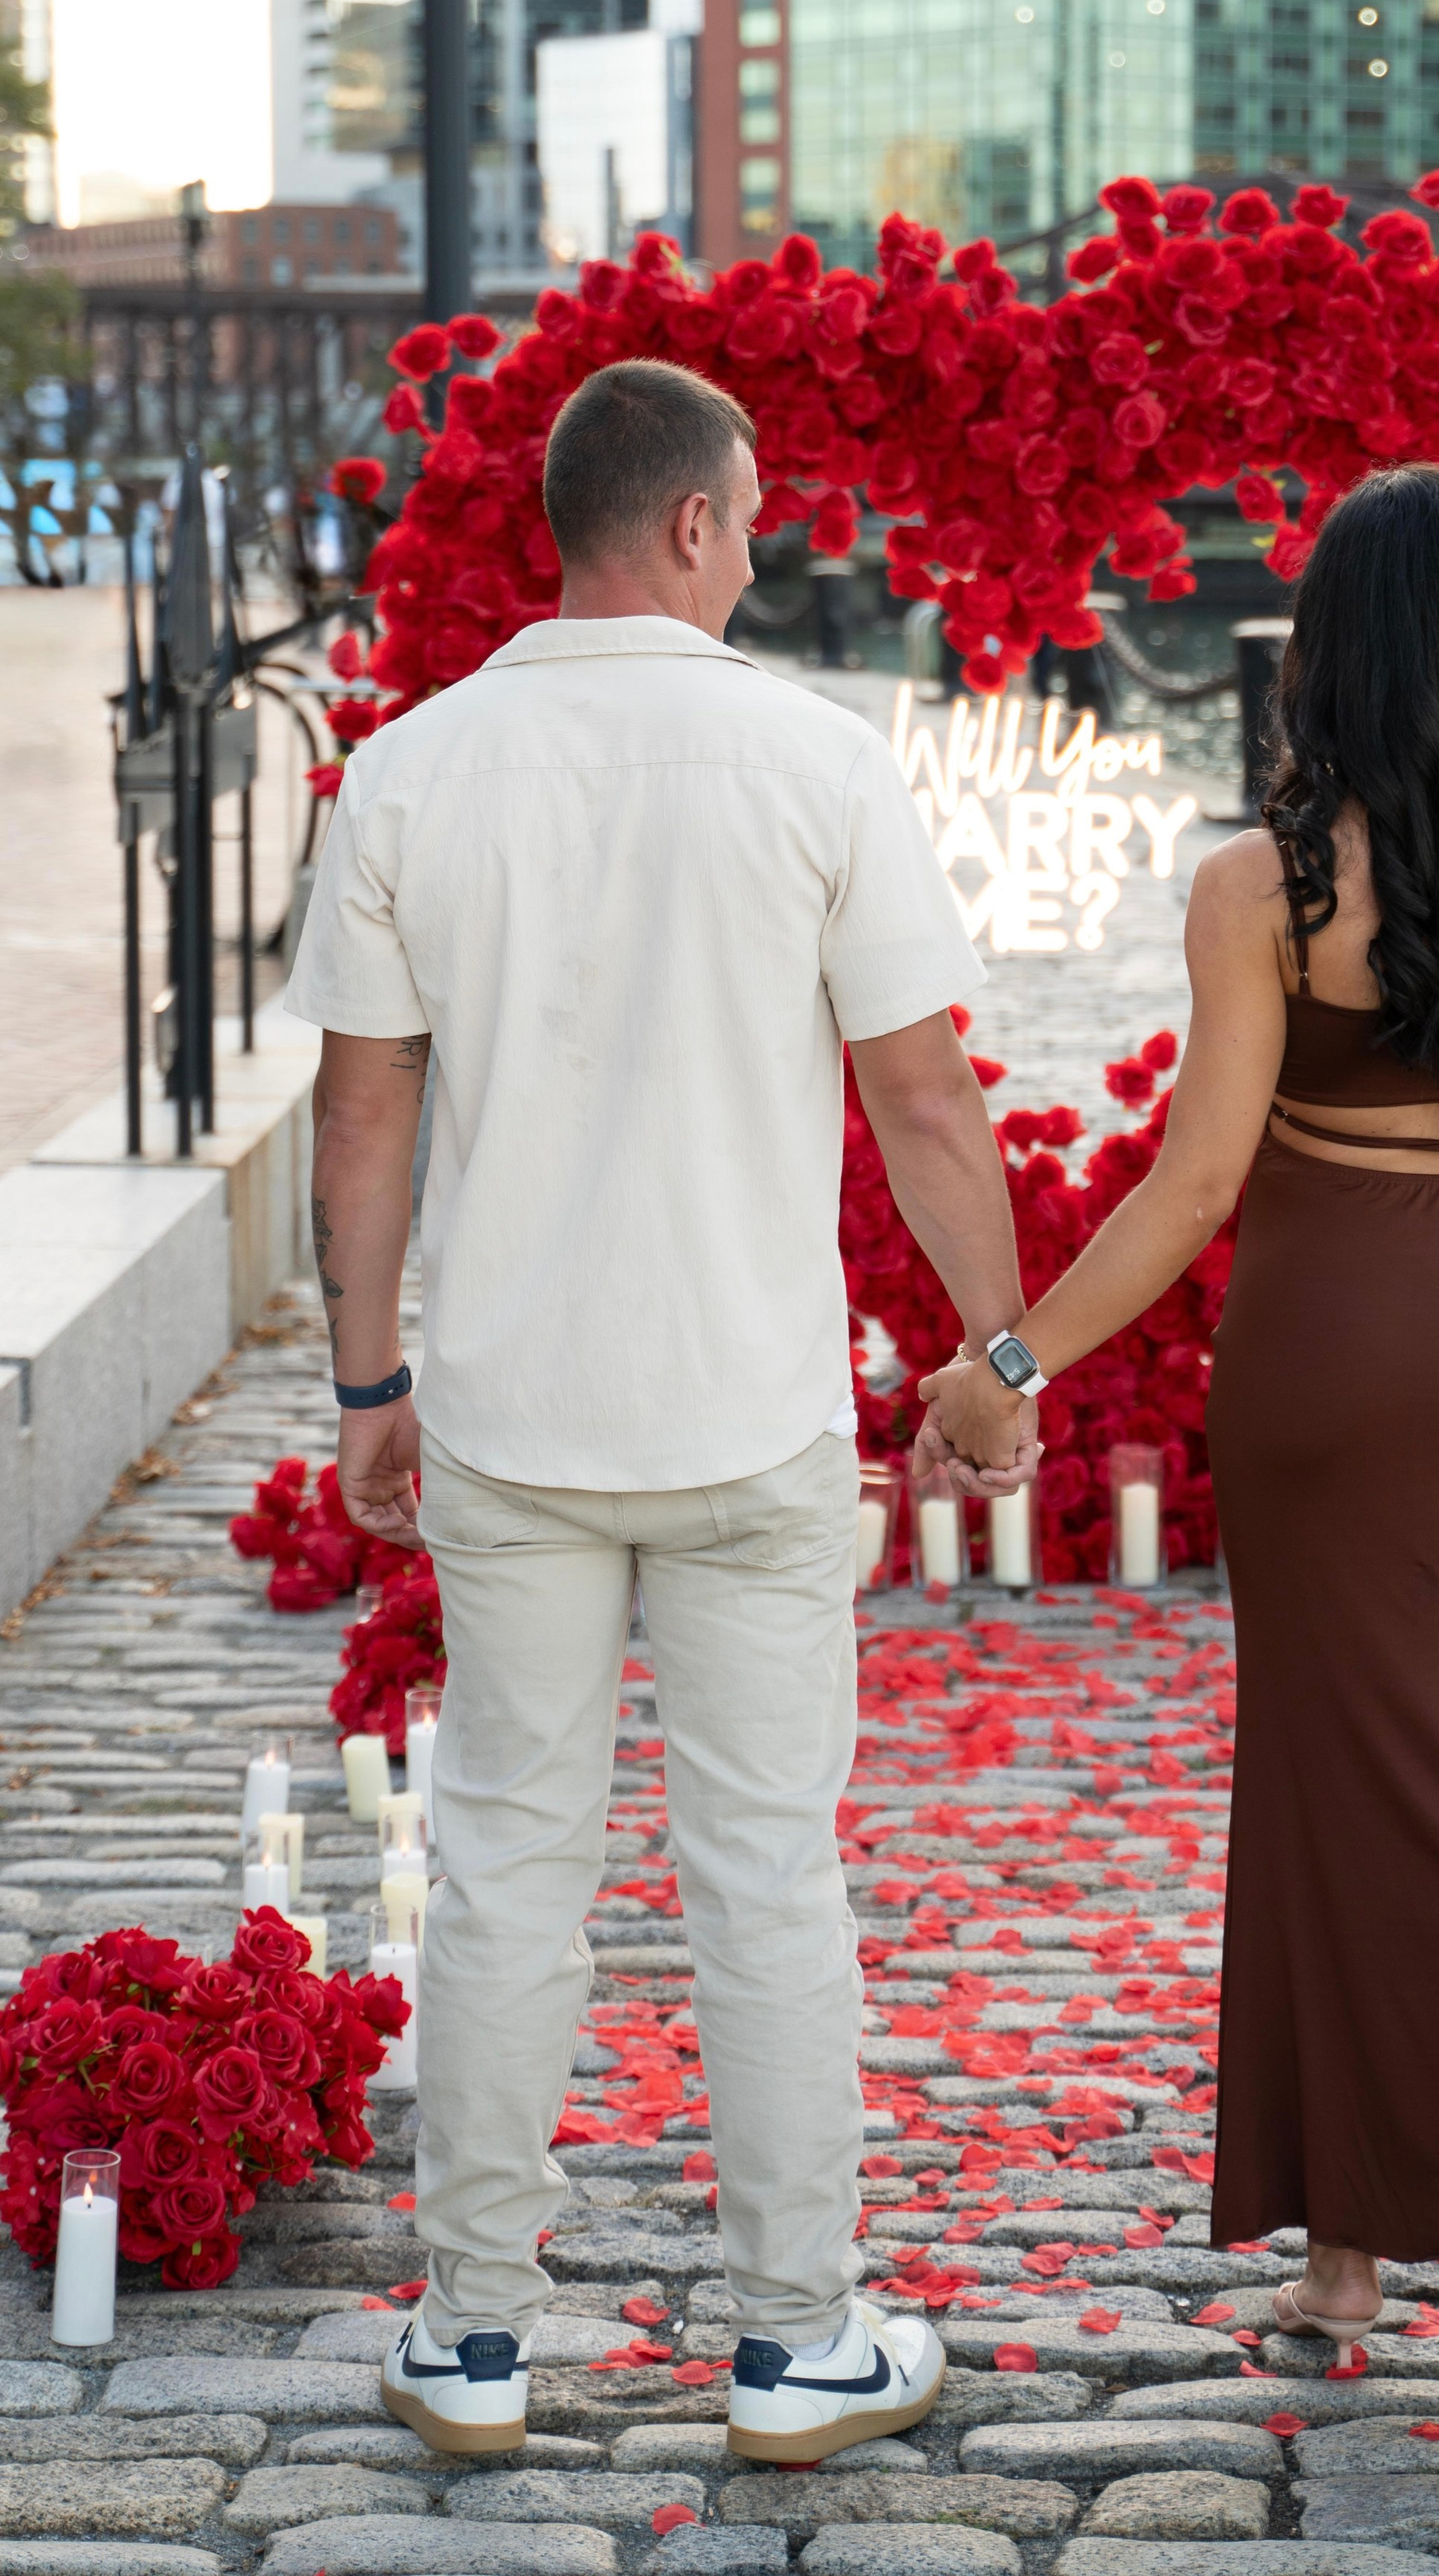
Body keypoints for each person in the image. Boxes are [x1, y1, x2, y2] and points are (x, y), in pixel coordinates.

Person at [284, 358, 1034, 2466]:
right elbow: (921, 1092)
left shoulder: (413, 767)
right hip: (748, 1409)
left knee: (510, 1861)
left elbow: (361, 1110)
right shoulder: (819, 757)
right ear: (694, 524)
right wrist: (1002, 1357)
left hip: (513, 1408)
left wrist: (367, 1381)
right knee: (766, 1877)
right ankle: (797, 2337)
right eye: (758, 512)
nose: (765, 543)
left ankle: (474, 2335)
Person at [921, 463, 1439, 2469]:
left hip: (1312, 1368)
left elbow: (1193, 1185)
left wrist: (1006, 1358)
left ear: (1327, 650)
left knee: (1324, 1782)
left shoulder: (1261, 887)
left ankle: (1342, 2265)